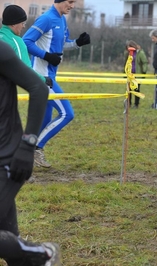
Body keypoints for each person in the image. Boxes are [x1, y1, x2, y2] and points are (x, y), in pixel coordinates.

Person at [0, 40, 61, 265]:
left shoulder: (1, 51)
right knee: (10, 247)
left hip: (8, 158)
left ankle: (42, 253)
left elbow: (38, 88)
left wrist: (28, 145)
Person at [23, 0, 91, 168]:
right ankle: (36, 149)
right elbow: (26, 41)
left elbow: (62, 45)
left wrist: (77, 43)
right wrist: (46, 56)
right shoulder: (46, 19)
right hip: (42, 78)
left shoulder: (62, 19)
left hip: (51, 76)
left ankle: (23, 152)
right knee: (67, 114)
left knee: (45, 120)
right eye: (70, 2)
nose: (72, 6)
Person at [0, 5, 53, 90]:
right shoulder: (16, 41)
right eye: (22, 23)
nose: (23, 26)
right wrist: (44, 80)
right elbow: (24, 70)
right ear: (14, 23)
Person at [126, 40, 148, 108]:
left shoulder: (140, 53)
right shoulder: (128, 53)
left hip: (137, 74)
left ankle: (136, 104)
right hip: (130, 74)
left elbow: (144, 62)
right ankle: (128, 104)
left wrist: (144, 72)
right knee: (128, 89)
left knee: (136, 90)